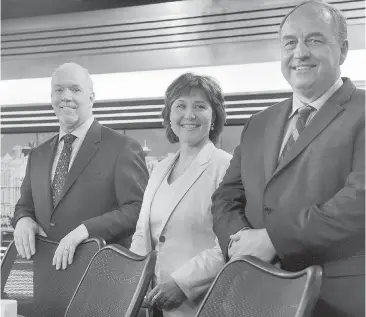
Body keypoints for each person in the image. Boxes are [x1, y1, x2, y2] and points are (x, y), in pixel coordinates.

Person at [211, 1, 365, 317]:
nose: (300, 52)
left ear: (343, 51)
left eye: (314, 40)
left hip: (335, 300)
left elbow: (358, 202)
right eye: (290, 42)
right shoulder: (259, 122)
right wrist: (242, 246)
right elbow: (226, 197)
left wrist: (274, 239)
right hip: (255, 292)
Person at [12, 62, 149, 271]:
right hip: (42, 275)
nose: (66, 96)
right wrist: (23, 220)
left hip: (97, 277)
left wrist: (86, 230)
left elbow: (137, 209)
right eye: (59, 90)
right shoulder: (37, 155)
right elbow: (24, 206)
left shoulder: (122, 147)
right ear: (52, 99)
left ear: (91, 98)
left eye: (75, 89)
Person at [130, 73, 231, 317]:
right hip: (152, 304)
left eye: (200, 106)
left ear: (214, 117)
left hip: (202, 304)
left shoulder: (225, 166)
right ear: (169, 116)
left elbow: (229, 245)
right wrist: (133, 281)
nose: (189, 115)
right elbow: (143, 232)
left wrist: (182, 283)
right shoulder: (160, 168)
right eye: (180, 106)